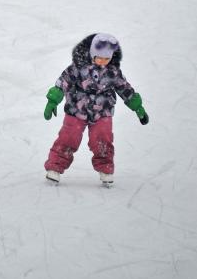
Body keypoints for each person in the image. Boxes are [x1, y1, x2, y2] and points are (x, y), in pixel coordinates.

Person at [44, 33, 149, 187]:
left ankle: (105, 168)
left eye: (107, 58)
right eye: (99, 57)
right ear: (92, 53)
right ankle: (55, 167)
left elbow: (125, 89)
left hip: (102, 111)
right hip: (76, 108)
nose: (103, 61)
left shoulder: (113, 72)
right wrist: (53, 100)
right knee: (68, 137)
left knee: (103, 138)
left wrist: (137, 107)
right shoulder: (78, 68)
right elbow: (63, 82)